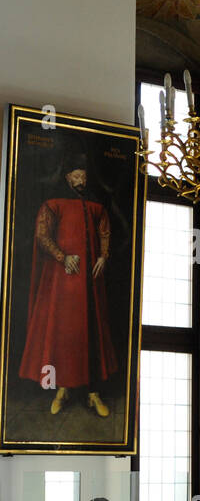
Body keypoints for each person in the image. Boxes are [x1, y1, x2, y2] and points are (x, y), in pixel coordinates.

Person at [18, 153, 116, 417]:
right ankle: (63, 390)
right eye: (77, 175)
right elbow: (42, 235)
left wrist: (104, 256)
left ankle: (92, 394)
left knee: (92, 333)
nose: (82, 180)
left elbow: (105, 231)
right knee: (64, 335)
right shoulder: (53, 203)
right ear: (67, 177)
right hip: (64, 282)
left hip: (91, 283)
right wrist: (63, 256)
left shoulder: (96, 204)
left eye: (84, 175)